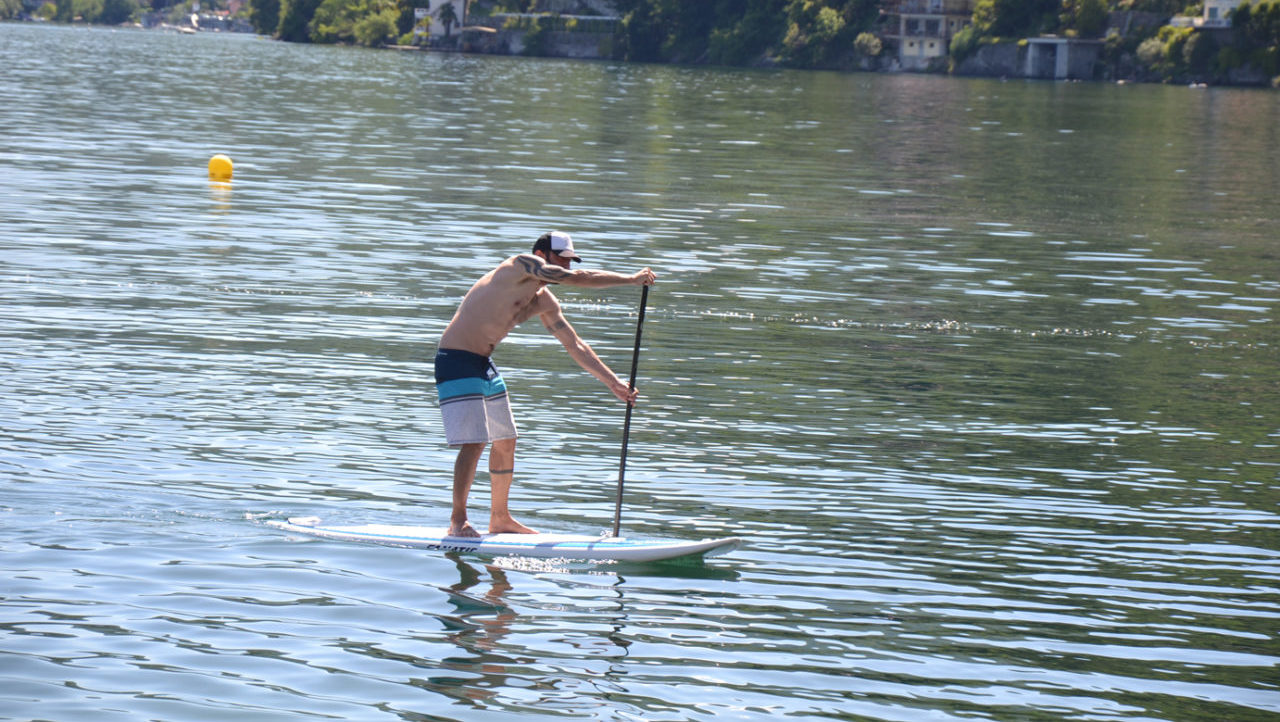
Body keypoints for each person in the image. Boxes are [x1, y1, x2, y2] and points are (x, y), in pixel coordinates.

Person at [434, 231, 657, 538]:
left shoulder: (544, 301)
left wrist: (613, 383)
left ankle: (499, 519)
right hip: (455, 359)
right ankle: (458, 521)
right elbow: (578, 277)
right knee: (476, 442)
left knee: (506, 440)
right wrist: (631, 280)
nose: (565, 267)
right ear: (542, 255)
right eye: (561, 260)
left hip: (483, 364)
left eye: (569, 261)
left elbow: (574, 344)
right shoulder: (519, 265)